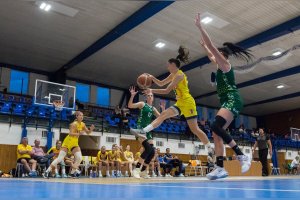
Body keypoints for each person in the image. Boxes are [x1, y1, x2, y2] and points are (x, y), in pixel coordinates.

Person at [130, 46, 214, 167]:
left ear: (173, 65)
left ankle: (210, 148)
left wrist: (151, 90)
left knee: (194, 129)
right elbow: (161, 83)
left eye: (168, 65)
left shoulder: (179, 75)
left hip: (188, 102)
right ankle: (143, 131)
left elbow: (166, 90)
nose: (167, 67)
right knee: (163, 115)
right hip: (180, 103)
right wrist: (152, 78)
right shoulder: (172, 74)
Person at [195, 13, 252, 180]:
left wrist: (200, 28)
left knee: (215, 125)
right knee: (216, 134)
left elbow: (212, 49)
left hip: (233, 99)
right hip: (227, 100)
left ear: (222, 55)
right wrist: (204, 47)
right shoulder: (219, 66)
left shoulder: (226, 65)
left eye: (217, 54)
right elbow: (210, 54)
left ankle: (241, 156)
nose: (215, 57)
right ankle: (220, 168)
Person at [43, 111, 94, 178]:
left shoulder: (83, 124)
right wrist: (79, 133)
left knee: (79, 158)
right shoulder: (73, 124)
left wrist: (91, 130)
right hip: (67, 142)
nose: (82, 117)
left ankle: (72, 173)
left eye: (82, 115)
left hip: (74, 143)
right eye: (80, 115)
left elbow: (87, 132)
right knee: (60, 158)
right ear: (77, 116)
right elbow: (70, 134)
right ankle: (47, 172)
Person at [128, 86, 164, 179]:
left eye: (151, 95)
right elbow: (130, 105)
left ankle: (143, 171)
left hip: (147, 131)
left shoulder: (153, 109)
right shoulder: (142, 104)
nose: (150, 96)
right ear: (146, 97)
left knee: (152, 152)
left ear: (153, 98)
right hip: (140, 129)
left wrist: (163, 109)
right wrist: (132, 96)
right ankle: (136, 170)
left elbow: (161, 118)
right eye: (148, 95)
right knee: (148, 149)